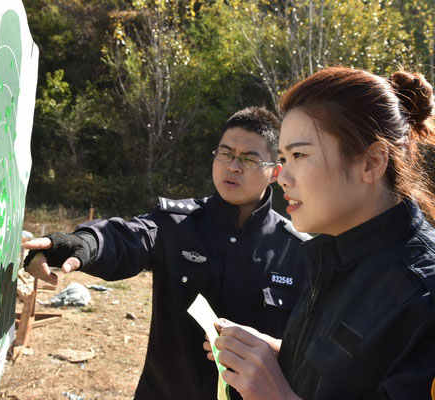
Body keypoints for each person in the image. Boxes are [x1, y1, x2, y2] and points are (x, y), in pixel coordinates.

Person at [205, 67, 435, 399]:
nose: (283, 177)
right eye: (283, 157)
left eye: (299, 155)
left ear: (372, 162)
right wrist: (275, 355)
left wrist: (276, 395)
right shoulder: (337, 260)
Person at [22, 107, 310, 399]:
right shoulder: (176, 223)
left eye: (249, 159)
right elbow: (128, 238)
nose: (233, 166)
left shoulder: (299, 251)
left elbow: (309, 351)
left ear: (275, 171)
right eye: (226, 154)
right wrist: (80, 244)